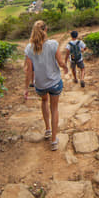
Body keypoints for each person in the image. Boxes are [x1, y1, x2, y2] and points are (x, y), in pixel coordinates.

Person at [24, 20, 68, 151]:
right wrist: (65, 67)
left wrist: (26, 88)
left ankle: (48, 129)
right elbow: (60, 62)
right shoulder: (53, 44)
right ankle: (54, 140)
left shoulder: (29, 48)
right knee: (54, 108)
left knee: (44, 101)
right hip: (54, 82)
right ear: (46, 30)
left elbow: (28, 70)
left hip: (40, 85)